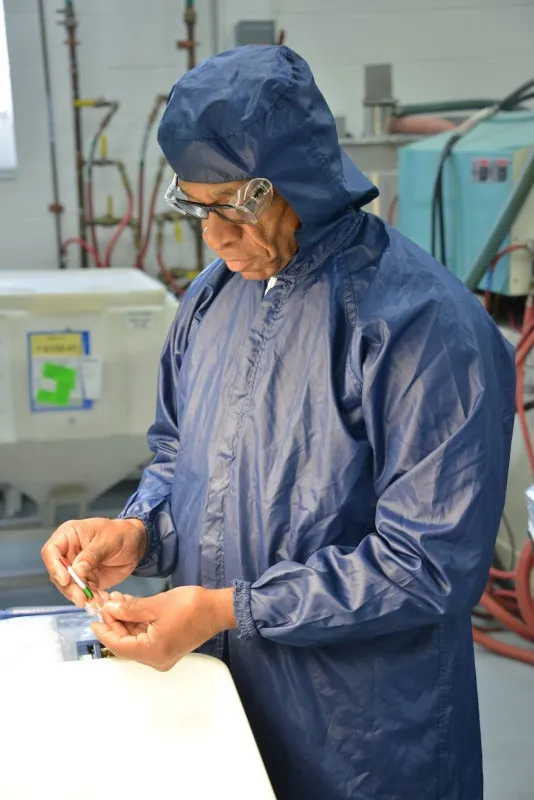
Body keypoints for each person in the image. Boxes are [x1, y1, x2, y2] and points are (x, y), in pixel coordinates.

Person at [42, 45, 516, 800]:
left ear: (296, 181)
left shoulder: (421, 327)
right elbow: (180, 461)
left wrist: (229, 609)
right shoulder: (209, 302)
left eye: (233, 208)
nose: (216, 239)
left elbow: (428, 566)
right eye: (197, 210)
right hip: (225, 701)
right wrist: (137, 530)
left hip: (369, 735)